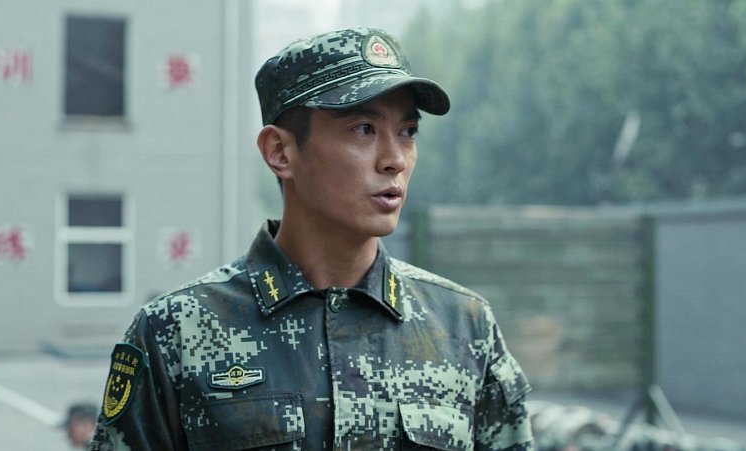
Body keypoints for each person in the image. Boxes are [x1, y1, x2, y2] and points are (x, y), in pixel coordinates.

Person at [90, 27, 533, 450]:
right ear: (280, 152)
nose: (395, 159)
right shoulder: (176, 331)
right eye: (364, 129)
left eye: (408, 132)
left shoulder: (463, 327)